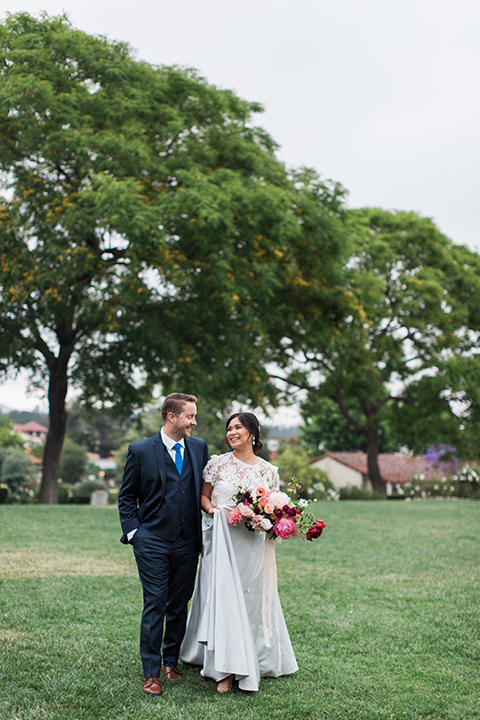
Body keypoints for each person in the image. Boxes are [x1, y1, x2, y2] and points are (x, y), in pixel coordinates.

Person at [179, 412, 298, 692]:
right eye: (229, 428)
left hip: (251, 544)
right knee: (220, 597)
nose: (232, 433)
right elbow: (204, 496)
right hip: (220, 540)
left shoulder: (269, 470)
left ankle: (248, 659)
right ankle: (223, 670)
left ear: (253, 433)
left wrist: (267, 521)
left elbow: (274, 509)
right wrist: (212, 510)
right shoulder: (217, 463)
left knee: (248, 600)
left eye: (238, 428)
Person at [118, 393, 209, 696]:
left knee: (178, 604)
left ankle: (171, 661)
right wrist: (135, 533)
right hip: (152, 541)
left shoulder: (198, 448)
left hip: (187, 541)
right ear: (172, 417)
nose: (194, 423)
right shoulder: (141, 450)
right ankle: (151, 672)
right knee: (155, 601)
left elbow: (207, 490)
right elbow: (127, 496)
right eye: (190, 417)